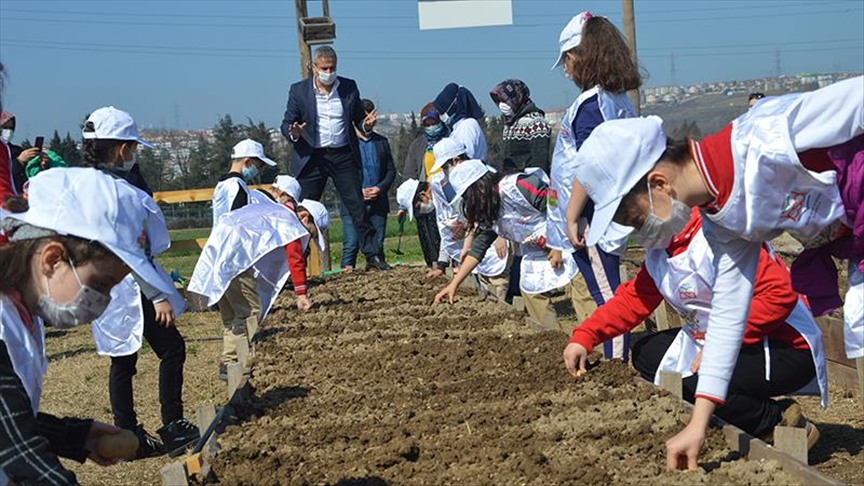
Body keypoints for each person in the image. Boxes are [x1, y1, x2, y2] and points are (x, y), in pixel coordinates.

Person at [569, 75, 863, 470]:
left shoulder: (765, 136)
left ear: (659, 183)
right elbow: (728, 313)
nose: (637, 232)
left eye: (633, 217)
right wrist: (699, 422)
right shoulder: (723, 223)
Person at [563, 208, 826, 445]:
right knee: (647, 353)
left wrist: (719, 343)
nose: (637, 237)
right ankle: (732, 414)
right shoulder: (661, 252)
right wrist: (585, 336)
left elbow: (778, 294)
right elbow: (633, 300)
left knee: (698, 382)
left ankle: (775, 420)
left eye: (635, 226)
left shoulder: (717, 236)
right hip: (717, 338)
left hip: (783, 344)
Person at [0, 168, 180, 484]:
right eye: (100, 283)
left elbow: (9, 422)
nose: (104, 300)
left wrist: (72, 435)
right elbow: (18, 454)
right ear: (52, 259)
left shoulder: (20, 314)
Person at [81, 106, 199, 457]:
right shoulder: (119, 192)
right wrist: (158, 295)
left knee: (123, 359)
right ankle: (173, 424)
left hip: (104, 287)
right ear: (121, 149)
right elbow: (129, 247)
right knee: (171, 348)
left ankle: (127, 434)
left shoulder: (89, 185)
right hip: (131, 284)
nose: (133, 155)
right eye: (132, 148)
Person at [547, 11, 643, 362]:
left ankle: (619, 368)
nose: (567, 70)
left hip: (592, 219)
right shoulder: (616, 100)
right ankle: (619, 359)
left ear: (580, 57)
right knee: (610, 293)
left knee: (609, 298)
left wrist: (572, 216)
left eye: (567, 61)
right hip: (610, 212)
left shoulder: (589, 105)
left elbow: (590, 163)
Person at [433, 160, 591, 332]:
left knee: (584, 291)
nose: (467, 204)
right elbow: (478, 248)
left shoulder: (518, 186)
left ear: (479, 188)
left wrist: (557, 245)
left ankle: (599, 345)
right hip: (536, 247)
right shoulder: (489, 208)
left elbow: (558, 206)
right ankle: (555, 339)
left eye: (467, 197)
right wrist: (454, 284)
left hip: (567, 236)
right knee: (531, 290)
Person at [280, 45, 389, 271]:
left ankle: (373, 255)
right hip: (312, 156)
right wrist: (294, 132)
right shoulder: (299, 91)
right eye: (324, 68)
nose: (329, 72)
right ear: (314, 68)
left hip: (342, 155)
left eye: (332, 68)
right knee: (303, 210)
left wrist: (364, 125)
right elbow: (286, 123)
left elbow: (358, 118)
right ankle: (295, 262)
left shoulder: (349, 87)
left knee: (357, 206)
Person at [208, 139, 277, 379]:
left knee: (229, 314)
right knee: (249, 310)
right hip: (234, 256)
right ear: (247, 161)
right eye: (257, 165)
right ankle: (238, 361)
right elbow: (238, 222)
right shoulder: (238, 186)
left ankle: (229, 359)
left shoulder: (220, 185)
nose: (257, 171)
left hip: (218, 254)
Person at [428, 139, 512, 299]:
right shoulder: (454, 183)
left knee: (498, 275)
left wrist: (502, 236)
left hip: (503, 231)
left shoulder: (484, 175)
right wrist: (468, 243)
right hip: (485, 232)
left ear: (456, 159)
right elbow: (475, 217)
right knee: (484, 273)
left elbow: (502, 208)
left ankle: (501, 303)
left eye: (446, 165)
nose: (445, 170)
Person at [339, 99, 396, 270]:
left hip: (378, 201)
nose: (370, 120)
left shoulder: (381, 142)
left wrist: (379, 188)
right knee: (351, 243)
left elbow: (391, 171)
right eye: (366, 117)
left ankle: (376, 276)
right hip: (353, 203)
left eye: (372, 116)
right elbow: (340, 174)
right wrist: (357, 192)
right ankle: (346, 278)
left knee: (377, 243)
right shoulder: (346, 144)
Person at [401, 103, 447, 275]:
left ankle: (445, 263)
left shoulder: (448, 140)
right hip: (424, 191)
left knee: (442, 229)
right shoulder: (418, 145)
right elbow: (410, 172)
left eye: (433, 123)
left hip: (443, 191)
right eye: (426, 125)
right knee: (426, 230)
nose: (431, 128)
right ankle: (431, 262)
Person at [489, 79, 552, 173]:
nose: (501, 105)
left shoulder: (537, 123)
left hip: (530, 183)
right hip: (511, 181)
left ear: (516, 97)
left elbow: (540, 161)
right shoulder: (509, 123)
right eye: (498, 101)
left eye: (504, 100)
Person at [432, 83, 488, 163]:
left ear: (452, 108)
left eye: (441, 112)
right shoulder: (457, 128)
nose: (441, 116)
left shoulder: (468, 126)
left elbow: (467, 158)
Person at [0, 109, 37, 195]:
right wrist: (19, 161)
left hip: (18, 198)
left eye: (11, 128)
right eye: (4, 127)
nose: (8, 131)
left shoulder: (16, 150)